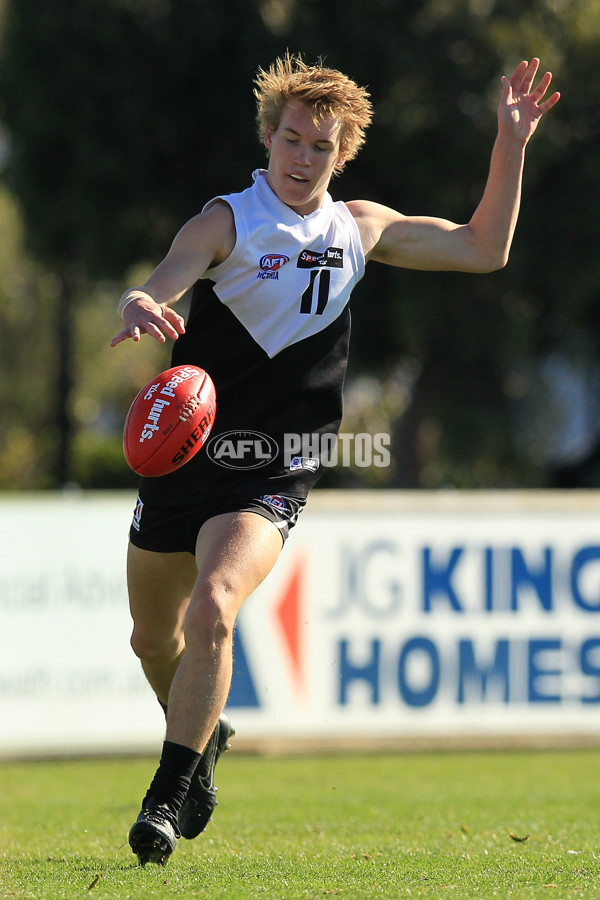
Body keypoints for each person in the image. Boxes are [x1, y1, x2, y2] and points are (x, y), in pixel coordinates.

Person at [110, 53, 559, 866]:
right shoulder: (228, 219)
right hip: (185, 455)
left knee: (215, 604)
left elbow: (483, 247)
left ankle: (165, 802)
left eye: (321, 146)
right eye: (291, 138)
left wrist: (510, 142)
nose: (302, 157)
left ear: (343, 152)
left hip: (274, 465)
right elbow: (166, 277)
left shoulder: (357, 228)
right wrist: (142, 300)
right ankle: (205, 741)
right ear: (269, 136)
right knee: (151, 640)